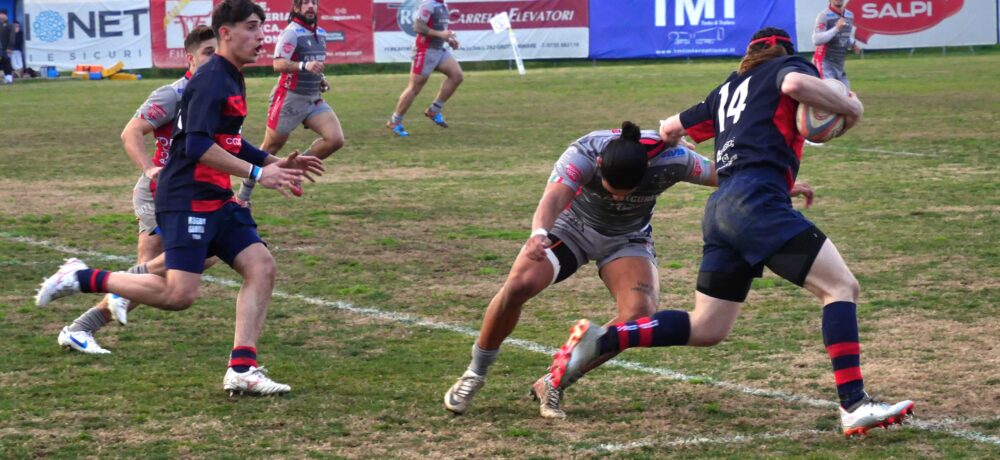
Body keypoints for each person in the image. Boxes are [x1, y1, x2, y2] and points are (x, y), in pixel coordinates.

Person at [547, 27, 913, 437]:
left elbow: (669, 129)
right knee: (840, 288)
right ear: (783, 51)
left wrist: (636, 148)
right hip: (757, 202)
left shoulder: (726, 89)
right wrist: (851, 107)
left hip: (721, 208)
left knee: (707, 327)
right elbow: (793, 84)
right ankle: (855, 404)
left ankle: (606, 339)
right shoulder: (787, 66)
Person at [35, 0, 324, 396]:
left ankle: (242, 367)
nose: (262, 37)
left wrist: (275, 161)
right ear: (226, 32)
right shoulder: (210, 80)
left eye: (262, 28)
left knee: (261, 266)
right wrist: (259, 173)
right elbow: (196, 146)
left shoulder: (231, 76)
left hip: (217, 198)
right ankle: (80, 277)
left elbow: (231, 142)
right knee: (178, 294)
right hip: (188, 198)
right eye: (254, 28)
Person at [442, 121, 724, 418]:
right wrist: (539, 233)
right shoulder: (585, 152)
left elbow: (725, 174)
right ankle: (475, 373)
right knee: (518, 285)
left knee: (638, 315)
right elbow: (553, 197)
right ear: (600, 165)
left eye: (626, 193)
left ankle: (553, 381)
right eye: (611, 190)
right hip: (571, 228)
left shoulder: (674, 160)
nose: (617, 198)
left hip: (626, 238)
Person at [54, 26, 219, 355]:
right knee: (173, 267)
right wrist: (149, 168)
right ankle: (85, 310)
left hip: (192, 191)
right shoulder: (173, 94)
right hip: (160, 190)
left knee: (163, 270)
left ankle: (84, 321)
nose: (215, 61)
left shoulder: (217, 95)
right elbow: (131, 132)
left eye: (219, 53)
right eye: (208, 54)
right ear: (190, 58)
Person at [236, 0, 344, 204]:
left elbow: (315, 63)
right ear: (296, 8)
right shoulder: (291, 33)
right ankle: (242, 195)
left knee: (335, 139)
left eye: (313, 2)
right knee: (269, 149)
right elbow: (277, 63)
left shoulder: (320, 33)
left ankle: (295, 170)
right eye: (305, 3)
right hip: (289, 98)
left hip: (312, 98)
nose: (310, 6)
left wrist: (321, 79)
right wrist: (305, 65)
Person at [385, 0, 463, 137]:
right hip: (424, 51)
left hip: (438, 50)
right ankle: (394, 121)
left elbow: (439, 29)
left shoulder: (442, 4)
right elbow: (418, 27)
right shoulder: (428, 4)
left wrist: (449, 40)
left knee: (457, 76)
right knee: (414, 88)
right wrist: (441, 35)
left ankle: (434, 110)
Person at [812, 0, 859, 89]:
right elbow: (816, 40)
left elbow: (845, 35)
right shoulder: (824, 16)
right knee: (831, 96)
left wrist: (853, 44)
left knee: (846, 97)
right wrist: (836, 28)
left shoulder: (849, 15)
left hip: (839, 65)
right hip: (824, 64)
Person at [0, 9, 14, 84]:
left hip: (6, 48)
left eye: (1, 14)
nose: (0, 16)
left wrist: (10, 47)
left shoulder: (10, 25)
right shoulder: (1, 24)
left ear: (5, 15)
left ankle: (9, 79)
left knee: (7, 63)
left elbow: (12, 37)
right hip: (0, 48)